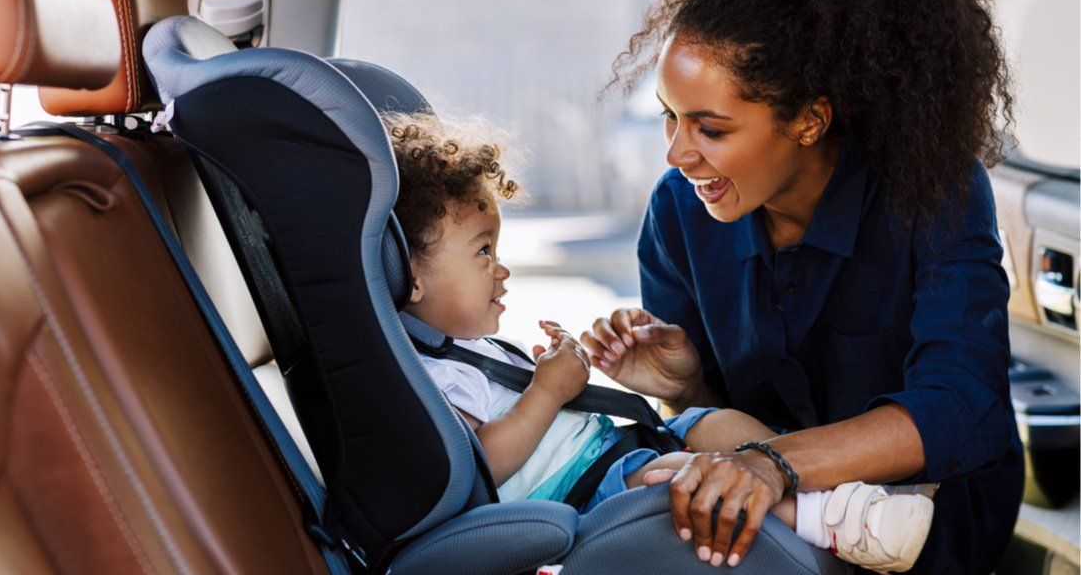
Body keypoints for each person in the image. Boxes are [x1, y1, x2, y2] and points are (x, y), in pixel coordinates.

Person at [583, 0, 1024, 573]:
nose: (677, 153)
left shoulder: (933, 188)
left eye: (710, 129)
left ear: (809, 121)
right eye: (670, 117)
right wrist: (685, 390)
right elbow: (725, 433)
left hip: (923, 520)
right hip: (768, 503)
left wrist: (774, 462)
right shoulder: (678, 211)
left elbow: (962, 407)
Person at [386, 112, 935, 572]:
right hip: (587, 487)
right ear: (409, 276)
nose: (501, 270)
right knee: (683, 476)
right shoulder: (429, 377)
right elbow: (483, 464)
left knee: (711, 422)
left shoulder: (471, 352)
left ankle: (839, 493)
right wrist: (548, 391)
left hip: (617, 449)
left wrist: (555, 371)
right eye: (483, 252)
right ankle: (835, 523)